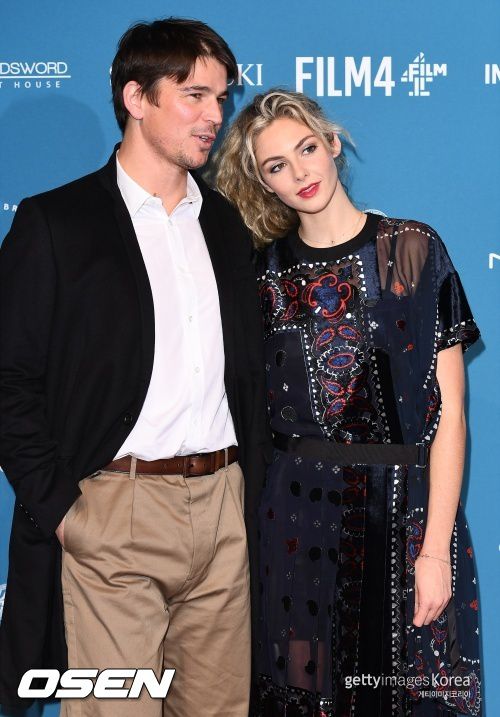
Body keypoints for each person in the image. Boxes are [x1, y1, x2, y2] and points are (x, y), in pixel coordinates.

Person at [0, 18, 269, 717]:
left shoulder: (224, 225)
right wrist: (64, 513)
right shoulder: (57, 223)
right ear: (136, 97)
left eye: (222, 98)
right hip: (114, 509)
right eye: (194, 95)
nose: (215, 116)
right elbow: (9, 379)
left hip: (223, 508)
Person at [216, 89, 482, 717]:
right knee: (305, 699)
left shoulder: (413, 250)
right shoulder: (260, 276)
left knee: (415, 695)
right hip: (296, 526)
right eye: (277, 165)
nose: (300, 172)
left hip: (409, 512)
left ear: (333, 144)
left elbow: (451, 413)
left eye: (307, 149)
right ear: (264, 183)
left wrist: (434, 549)